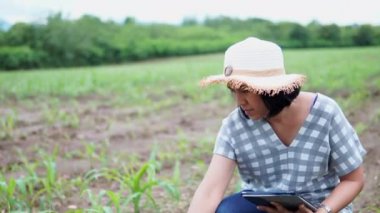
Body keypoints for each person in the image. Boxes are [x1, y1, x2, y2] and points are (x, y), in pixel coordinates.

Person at [188, 37, 366, 213]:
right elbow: (210, 191)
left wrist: (323, 210)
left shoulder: (325, 112)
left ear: (271, 88)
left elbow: (353, 179)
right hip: (265, 208)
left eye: (245, 90)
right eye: (233, 91)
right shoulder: (234, 126)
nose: (239, 101)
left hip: (321, 207)